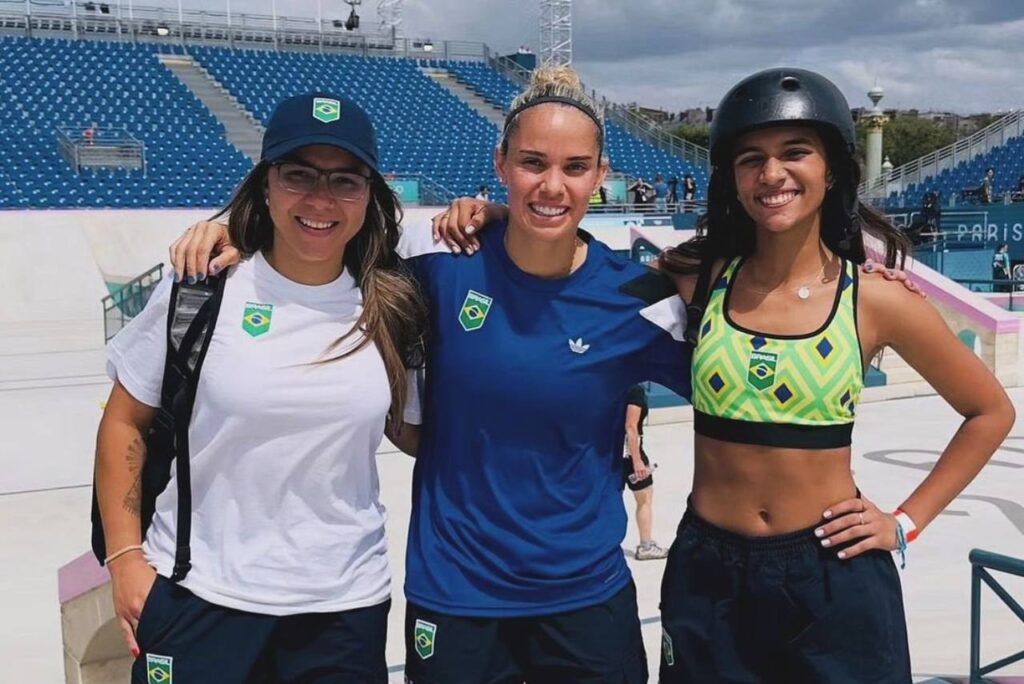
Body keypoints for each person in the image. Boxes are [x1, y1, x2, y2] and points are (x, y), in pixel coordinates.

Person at [170, 66, 692, 683]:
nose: (552, 185)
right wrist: (234, 230)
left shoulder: (639, 298)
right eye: (532, 163)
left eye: (575, 167)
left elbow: (734, 398)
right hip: (456, 592)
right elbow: (324, 233)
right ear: (501, 164)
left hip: (584, 593)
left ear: (602, 176)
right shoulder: (439, 261)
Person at [653, 67, 1014, 683]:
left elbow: (990, 412)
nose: (772, 175)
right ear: (731, 177)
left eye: (796, 153)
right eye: (751, 158)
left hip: (829, 574)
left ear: (832, 169)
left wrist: (903, 523)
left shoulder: (875, 299)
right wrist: (495, 217)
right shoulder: (700, 279)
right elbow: (572, 268)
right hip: (709, 570)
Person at [95, 93, 426, 683]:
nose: (320, 199)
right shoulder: (201, 289)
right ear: (266, 184)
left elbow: (415, 433)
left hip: (341, 609)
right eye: (299, 175)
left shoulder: (391, 303)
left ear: (369, 195)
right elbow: (125, 421)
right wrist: (124, 560)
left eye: (344, 181)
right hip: (200, 594)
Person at [623, 383, 669, 560]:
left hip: (608, 453)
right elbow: (631, 427)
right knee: (645, 499)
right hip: (630, 454)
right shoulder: (634, 390)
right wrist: (637, 461)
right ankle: (646, 546)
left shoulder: (611, 384)